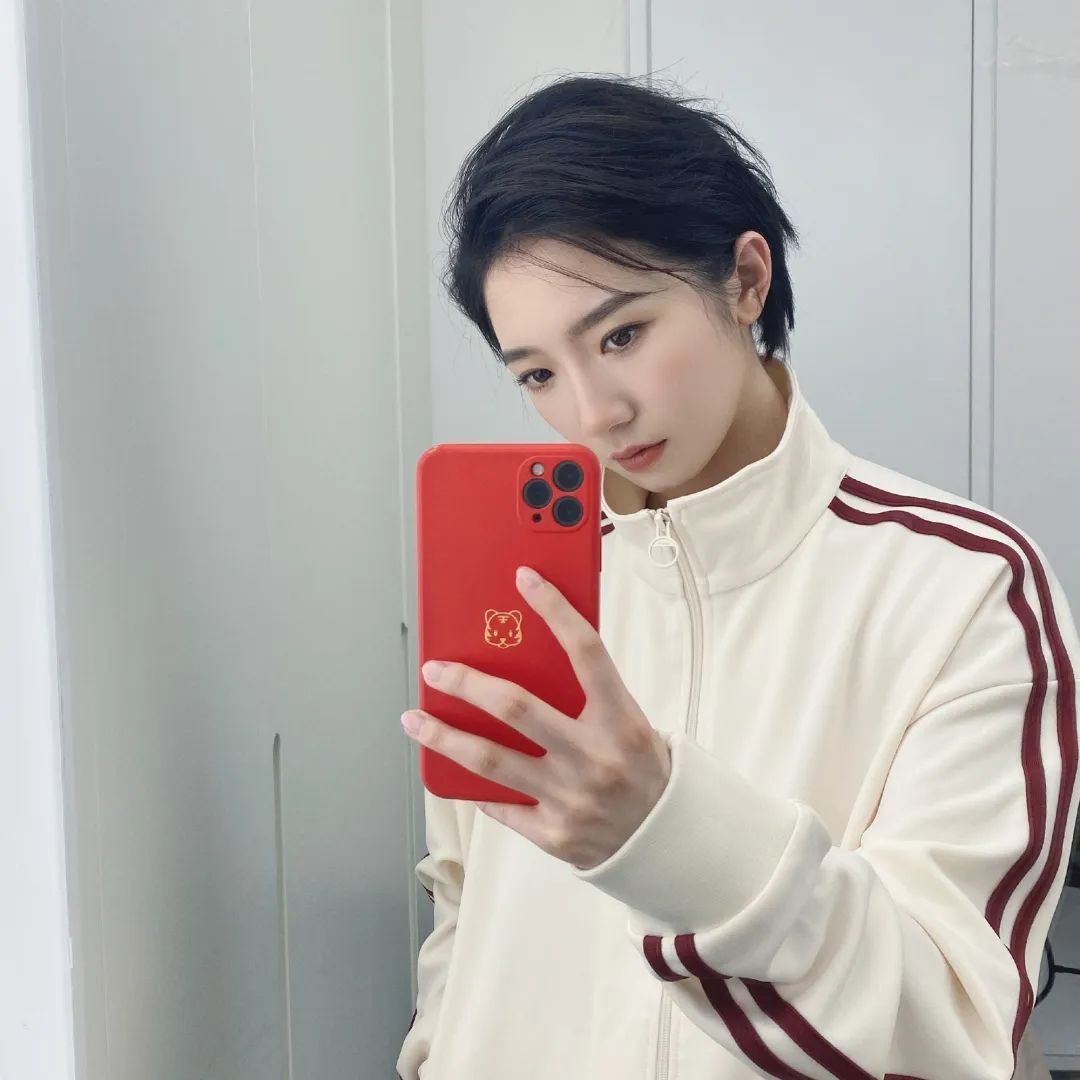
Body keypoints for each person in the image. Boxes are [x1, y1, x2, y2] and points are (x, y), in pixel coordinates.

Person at [396, 72, 1080, 1080]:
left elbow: (948, 1027)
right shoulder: (525, 589)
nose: (593, 413)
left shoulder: (965, 590)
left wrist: (667, 836)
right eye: (537, 373)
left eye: (622, 335)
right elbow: (464, 907)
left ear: (746, 280)